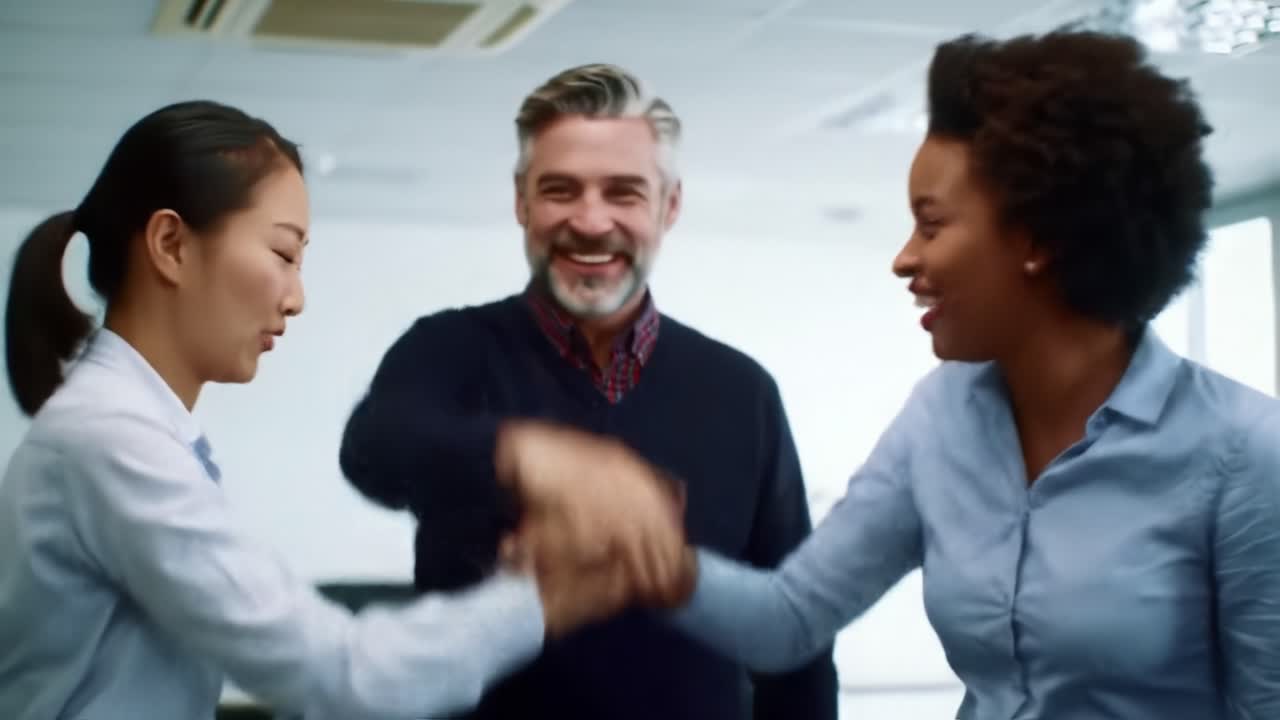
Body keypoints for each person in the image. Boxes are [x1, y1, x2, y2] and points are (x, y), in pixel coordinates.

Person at [0, 99, 688, 720]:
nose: (296, 298)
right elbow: (343, 674)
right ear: (172, 246)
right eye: (281, 253)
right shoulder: (111, 439)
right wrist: (548, 593)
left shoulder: (133, 432)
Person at [665, 30, 1280, 719]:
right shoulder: (940, 418)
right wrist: (643, 556)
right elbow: (789, 619)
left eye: (931, 226)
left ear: (1037, 239)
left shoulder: (1245, 452)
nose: (903, 259)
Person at [339, 63, 838, 720]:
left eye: (624, 193)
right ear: (521, 201)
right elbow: (375, 448)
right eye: (560, 190)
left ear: (670, 205)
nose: (591, 221)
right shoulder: (451, 349)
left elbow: (795, 635)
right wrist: (529, 457)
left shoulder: (741, 391)